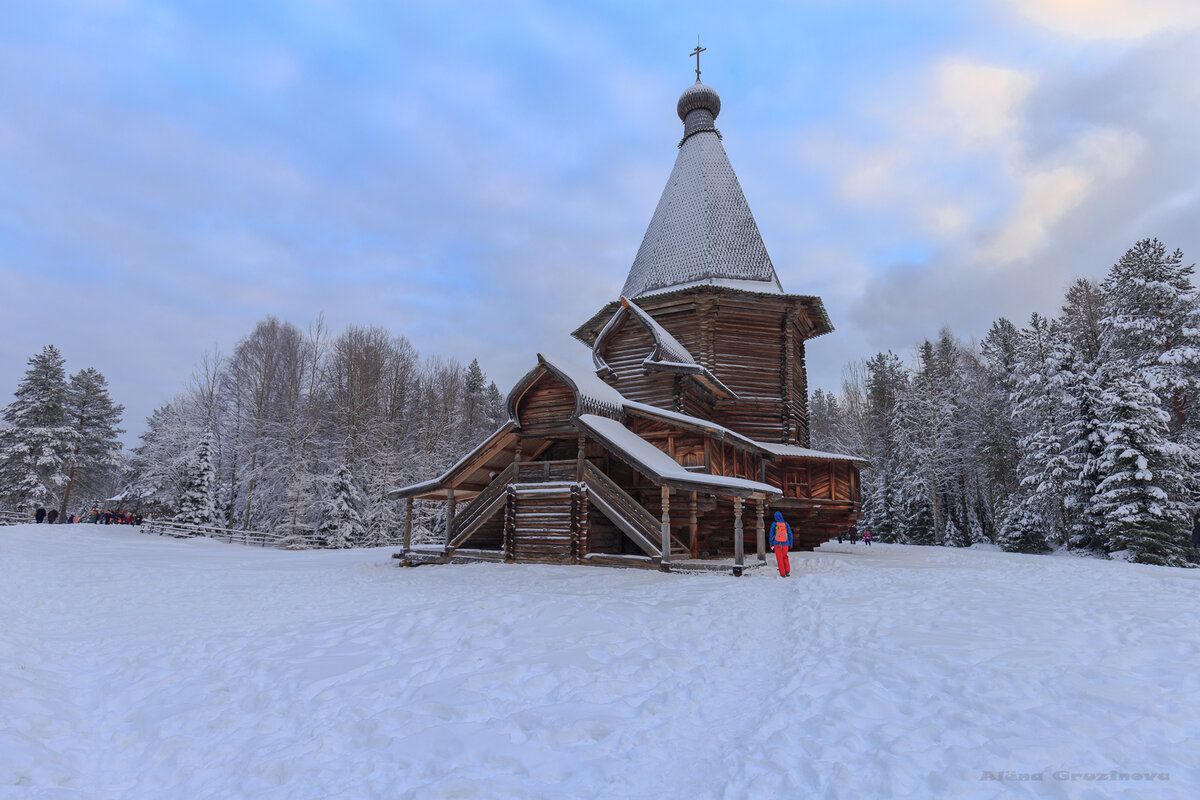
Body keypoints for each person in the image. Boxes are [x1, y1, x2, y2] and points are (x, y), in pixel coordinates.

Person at [770, 511, 793, 578]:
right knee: (785, 557)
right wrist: (790, 544)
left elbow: (771, 535)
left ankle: (782, 573)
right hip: (785, 543)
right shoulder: (786, 524)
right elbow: (790, 534)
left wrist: (771, 544)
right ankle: (787, 571)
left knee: (779, 559)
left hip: (777, 544)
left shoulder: (774, 524)